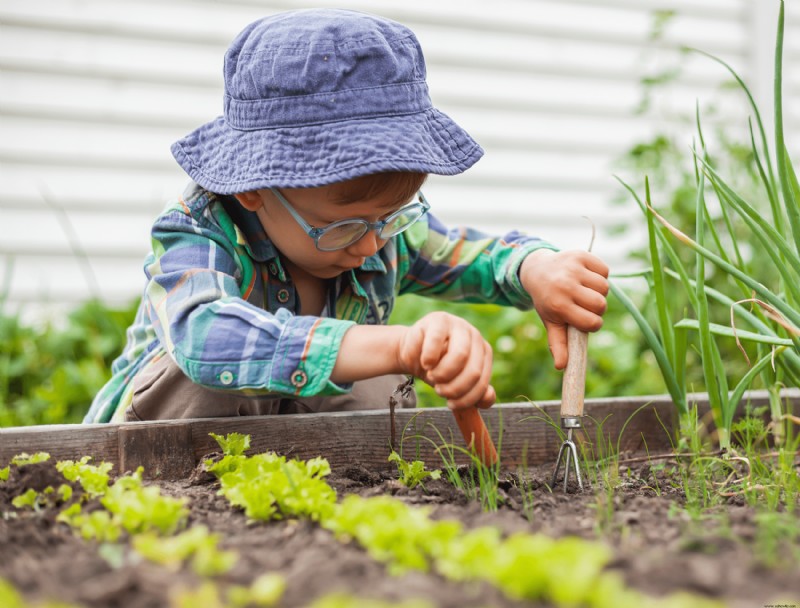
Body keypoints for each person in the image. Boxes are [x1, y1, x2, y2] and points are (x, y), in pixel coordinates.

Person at [84, 8, 609, 424]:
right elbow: (203, 335)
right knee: (203, 375)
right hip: (153, 460)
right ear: (253, 190)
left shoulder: (379, 231)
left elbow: (469, 256)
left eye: (391, 218)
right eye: (345, 227)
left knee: (375, 381)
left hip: (305, 468)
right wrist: (398, 344)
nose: (371, 245)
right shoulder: (199, 230)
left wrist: (533, 268)